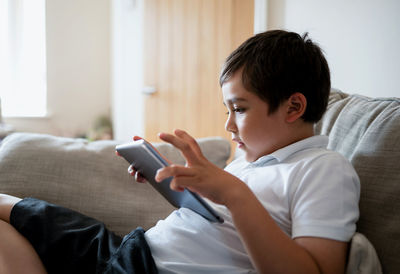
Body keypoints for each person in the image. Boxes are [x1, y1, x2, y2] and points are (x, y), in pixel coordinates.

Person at [0, 30, 359, 273]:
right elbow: (219, 224)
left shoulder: (324, 170)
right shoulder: (251, 161)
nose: (228, 125)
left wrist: (234, 194)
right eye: (227, 110)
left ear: (294, 107)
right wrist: (185, 186)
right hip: (130, 250)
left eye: (240, 109)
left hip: (148, 267)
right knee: (22, 214)